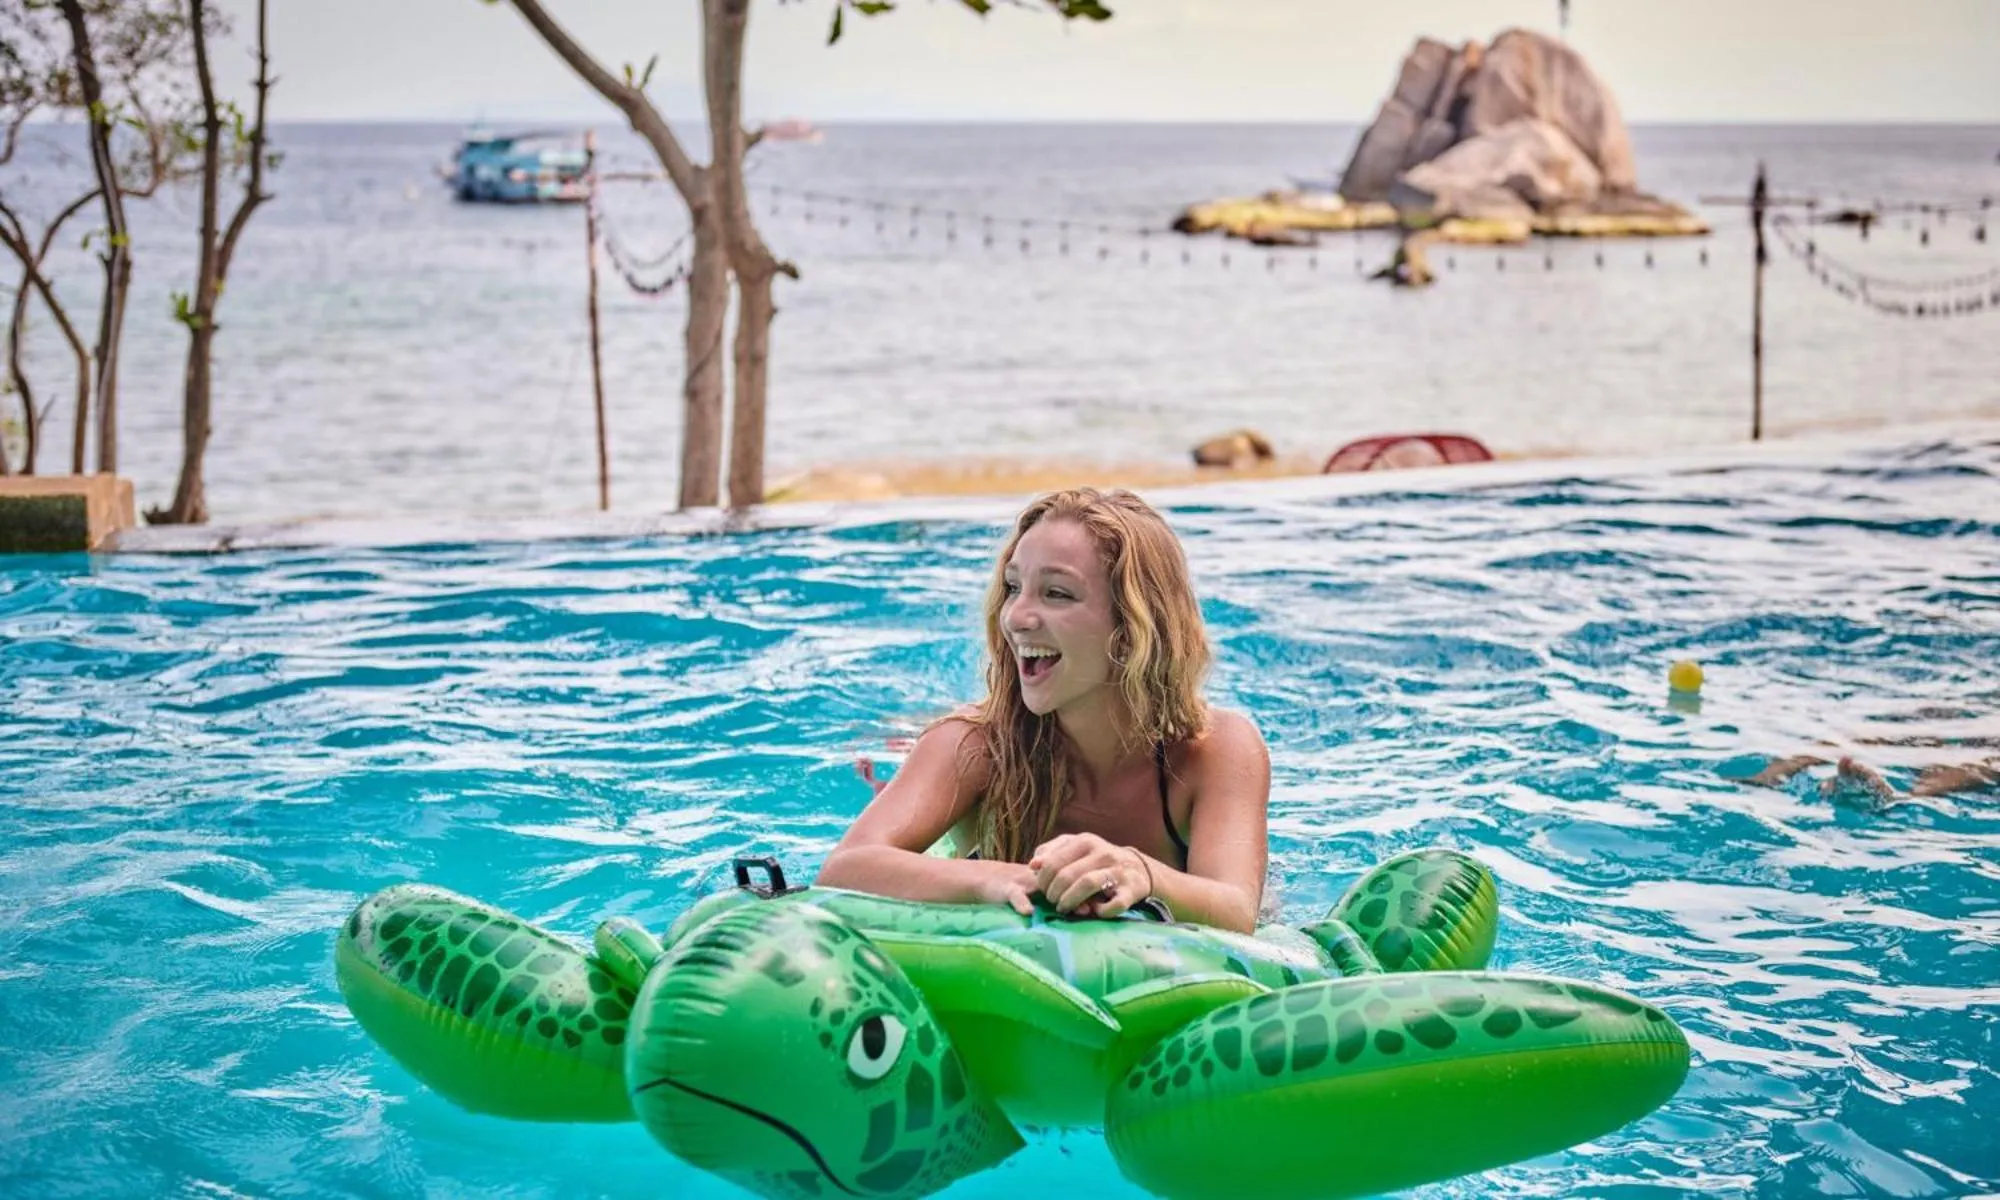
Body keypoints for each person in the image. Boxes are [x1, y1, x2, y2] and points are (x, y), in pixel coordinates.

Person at [818, 488, 1271, 933]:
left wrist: (1141, 872)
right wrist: (1000, 878)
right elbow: (845, 869)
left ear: (1133, 628)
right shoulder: (973, 745)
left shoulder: (1215, 750)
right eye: (1014, 587)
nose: (1016, 616)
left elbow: (1235, 910)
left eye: (1056, 593)